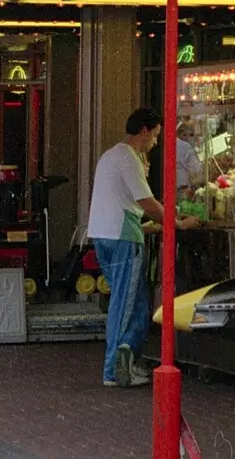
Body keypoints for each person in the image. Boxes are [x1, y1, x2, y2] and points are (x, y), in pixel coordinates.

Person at [86, 108, 198, 388]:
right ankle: (113, 369)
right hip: (123, 237)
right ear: (144, 131)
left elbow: (129, 202)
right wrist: (177, 223)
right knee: (125, 304)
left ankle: (127, 361)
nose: (156, 142)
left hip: (104, 235)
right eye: (156, 135)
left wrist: (149, 221)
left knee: (133, 302)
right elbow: (146, 202)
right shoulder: (128, 157)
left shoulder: (111, 155)